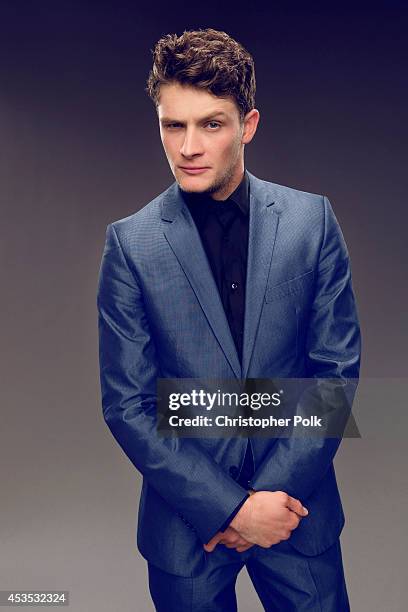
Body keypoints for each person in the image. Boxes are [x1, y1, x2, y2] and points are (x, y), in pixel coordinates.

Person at [97, 28, 361, 611]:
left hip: (295, 519)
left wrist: (270, 499)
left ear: (249, 126)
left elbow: (334, 376)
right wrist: (232, 509)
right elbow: (127, 406)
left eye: (211, 124)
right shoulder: (131, 245)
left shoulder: (310, 222)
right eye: (173, 125)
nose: (188, 146)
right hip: (187, 529)